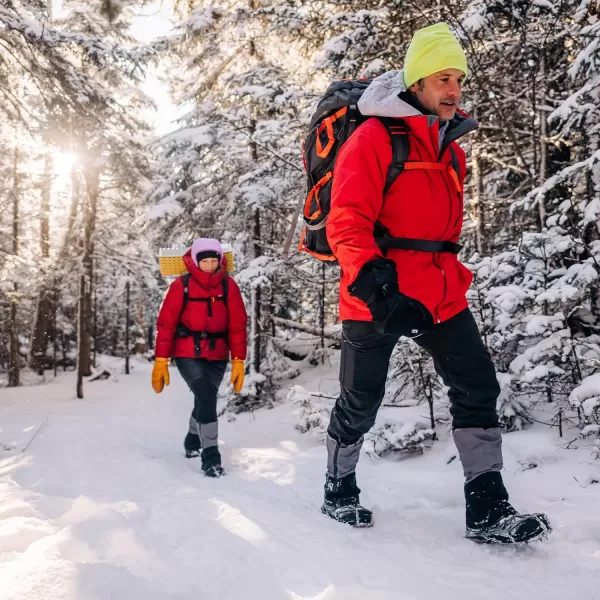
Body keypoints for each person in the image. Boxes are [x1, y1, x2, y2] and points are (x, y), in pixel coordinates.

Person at [321, 22, 551, 544]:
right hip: (377, 296)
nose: (453, 90)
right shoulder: (372, 138)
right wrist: (377, 285)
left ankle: (487, 511)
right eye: (441, 78)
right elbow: (347, 221)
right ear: (416, 83)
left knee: (476, 388)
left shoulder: (452, 148)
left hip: (442, 294)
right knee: (362, 401)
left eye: (458, 79)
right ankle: (338, 487)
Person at [151, 238, 247, 478]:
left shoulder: (228, 286)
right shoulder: (180, 286)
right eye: (205, 261)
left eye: (214, 260)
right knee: (205, 395)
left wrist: (238, 360)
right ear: (196, 261)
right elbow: (165, 324)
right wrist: (161, 360)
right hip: (187, 352)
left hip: (218, 353)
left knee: (206, 398)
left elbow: (237, 326)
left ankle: (192, 439)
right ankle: (211, 457)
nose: (210, 265)